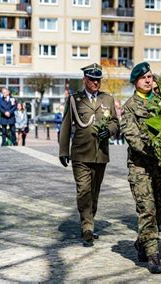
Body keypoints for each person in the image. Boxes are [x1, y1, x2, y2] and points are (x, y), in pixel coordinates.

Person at [59, 63, 119, 246]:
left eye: (98, 79)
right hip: (80, 153)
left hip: (100, 153)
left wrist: (109, 130)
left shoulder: (107, 99)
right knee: (83, 189)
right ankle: (87, 227)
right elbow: (66, 125)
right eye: (92, 79)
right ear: (84, 79)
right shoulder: (74, 100)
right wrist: (63, 151)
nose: (95, 82)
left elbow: (116, 122)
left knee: (94, 191)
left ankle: (89, 219)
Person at [122, 62, 161, 274]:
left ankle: (142, 242)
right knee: (146, 209)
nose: (148, 80)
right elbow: (132, 136)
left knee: (159, 206)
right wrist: (155, 148)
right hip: (140, 166)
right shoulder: (130, 106)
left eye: (150, 77)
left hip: (160, 166)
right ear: (136, 82)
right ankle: (153, 255)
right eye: (144, 78)